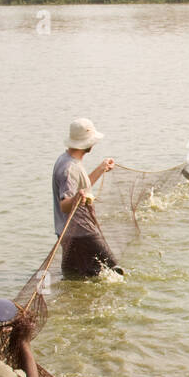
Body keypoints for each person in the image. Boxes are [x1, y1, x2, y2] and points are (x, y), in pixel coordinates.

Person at [51, 118, 122, 278]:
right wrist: (76, 198)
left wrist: (101, 168)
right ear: (86, 143)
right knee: (116, 272)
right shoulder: (69, 168)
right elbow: (64, 205)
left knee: (76, 277)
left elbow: (82, 187)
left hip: (70, 234)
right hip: (82, 232)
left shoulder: (67, 160)